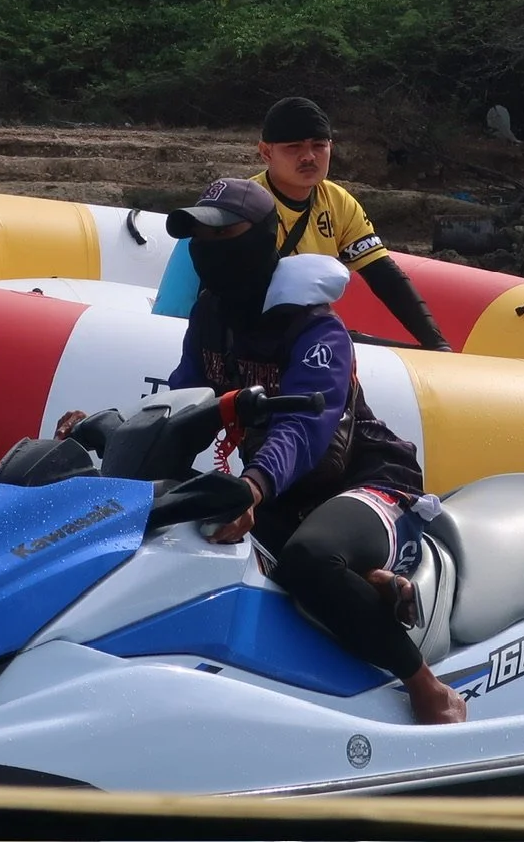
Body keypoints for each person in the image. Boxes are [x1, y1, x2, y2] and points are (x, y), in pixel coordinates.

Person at [166, 176, 467, 725]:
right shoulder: (210, 316)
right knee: (194, 529)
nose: (207, 250)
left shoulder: (316, 329)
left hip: (369, 479)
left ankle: (426, 684)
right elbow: (185, 397)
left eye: (221, 235)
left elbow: (303, 428)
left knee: (307, 560)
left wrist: (253, 485)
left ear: (261, 239)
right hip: (289, 495)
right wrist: (111, 431)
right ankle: (366, 584)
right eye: (198, 238)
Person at [253, 96, 451, 351]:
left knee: (418, 354)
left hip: (310, 328)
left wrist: (437, 344)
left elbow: (384, 276)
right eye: (294, 147)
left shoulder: (337, 201)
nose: (308, 156)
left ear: (330, 148)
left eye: (319, 145)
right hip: (257, 332)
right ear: (266, 152)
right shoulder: (249, 202)